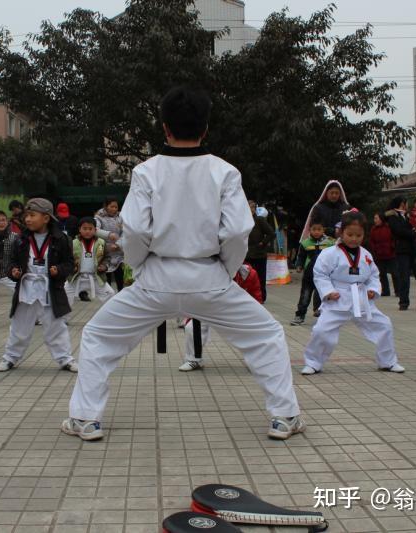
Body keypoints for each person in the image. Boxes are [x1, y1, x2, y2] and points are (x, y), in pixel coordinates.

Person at [62, 86, 303, 442]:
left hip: (155, 278)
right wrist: (225, 268)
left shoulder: (146, 171)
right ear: (205, 128)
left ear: (164, 128)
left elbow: (137, 229)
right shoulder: (225, 172)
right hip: (210, 276)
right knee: (266, 336)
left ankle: (85, 419)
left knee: (98, 336)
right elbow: (237, 230)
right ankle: (284, 416)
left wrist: (141, 268)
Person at [300, 210, 404, 375]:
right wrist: (328, 291)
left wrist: (372, 290)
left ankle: (388, 361)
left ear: (364, 235)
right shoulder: (329, 253)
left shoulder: (366, 255)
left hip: (361, 298)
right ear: (341, 232)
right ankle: (313, 362)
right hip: (337, 299)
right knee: (321, 330)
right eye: (350, 234)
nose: (354, 239)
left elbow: (374, 275)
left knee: (384, 325)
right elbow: (320, 274)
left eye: (358, 235)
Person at [0, 198, 77, 373]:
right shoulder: (20, 239)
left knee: (56, 326)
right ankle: (10, 357)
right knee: (19, 327)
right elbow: (10, 263)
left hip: (50, 289)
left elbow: (70, 264)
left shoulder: (60, 239)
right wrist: (14, 272)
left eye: (32, 215)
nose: (27, 219)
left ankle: (65, 359)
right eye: (27, 215)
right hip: (27, 287)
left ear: (46, 218)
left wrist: (59, 270)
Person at [178, 262, 263, 371]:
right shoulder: (208, 273)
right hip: (210, 307)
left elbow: (256, 296)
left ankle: (257, 361)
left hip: (236, 310)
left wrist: (256, 318)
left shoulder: (249, 274)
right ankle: (194, 360)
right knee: (191, 328)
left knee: (254, 330)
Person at [386, 196, 416, 311]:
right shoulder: (392, 216)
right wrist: (415, 234)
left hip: (415, 249)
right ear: (401, 203)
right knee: (404, 277)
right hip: (402, 250)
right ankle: (404, 302)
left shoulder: (409, 215)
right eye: (406, 203)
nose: (408, 205)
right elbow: (398, 231)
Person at [290, 219, 335, 325]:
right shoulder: (305, 243)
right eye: (314, 229)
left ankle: (320, 312)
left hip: (324, 275)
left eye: (319, 229)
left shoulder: (329, 243)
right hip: (309, 275)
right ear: (309, 230)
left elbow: (334, 257)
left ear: (323, 230)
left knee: (322, 295)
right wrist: (299, 266)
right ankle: (300, 315)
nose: (316, 232)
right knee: (305, 296)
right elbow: (301, 257)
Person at [66, 217, 116, 305]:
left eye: (90, 229)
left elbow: (107, 257)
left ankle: (108, 316)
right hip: (77, 276)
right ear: (79, 229)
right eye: (84, 229)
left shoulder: (101, 242)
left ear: (95, 230)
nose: (87, 231)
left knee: (110, 294)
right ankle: (62, 317)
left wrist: (104, 266)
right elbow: (67, 258)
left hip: (95, 276)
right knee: (64, 295)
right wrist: (71, 267)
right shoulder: (73, 243)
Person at [246, 199, 275, 302]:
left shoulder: (259, 220)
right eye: (249, 206)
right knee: (246, 277)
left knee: (260, 277)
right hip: (245, 254)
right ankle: (247, 297)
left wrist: (263, 243)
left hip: (259, 254)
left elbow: (271, 233)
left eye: (253, 207)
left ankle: (261, 297)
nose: (251, 209)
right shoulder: (241, 221)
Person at [94, 198, 125, 291]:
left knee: (120, 277)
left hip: (118, 252)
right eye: (112, 206)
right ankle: (108, 298)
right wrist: (108, 235)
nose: (114, 209)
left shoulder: (121, 217)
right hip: (105, 252)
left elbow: (125, 233)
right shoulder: (98, 217)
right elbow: (95, 230)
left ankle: (120, 295)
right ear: (106, 206)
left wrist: (118, 244)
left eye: (116, 207)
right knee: (106, 279)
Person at [368, 213, 396, 298]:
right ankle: (385, 290)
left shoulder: (388, 227)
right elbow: (371, 241)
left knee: (395, 273)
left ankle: (398, 290)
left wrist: (392, 247)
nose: (375, 220)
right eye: (374, 218)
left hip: (390, 253)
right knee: (382, 274)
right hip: (379, 254)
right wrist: (374, 249)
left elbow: (393, 239)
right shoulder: (373, 229)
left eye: (376, 218)